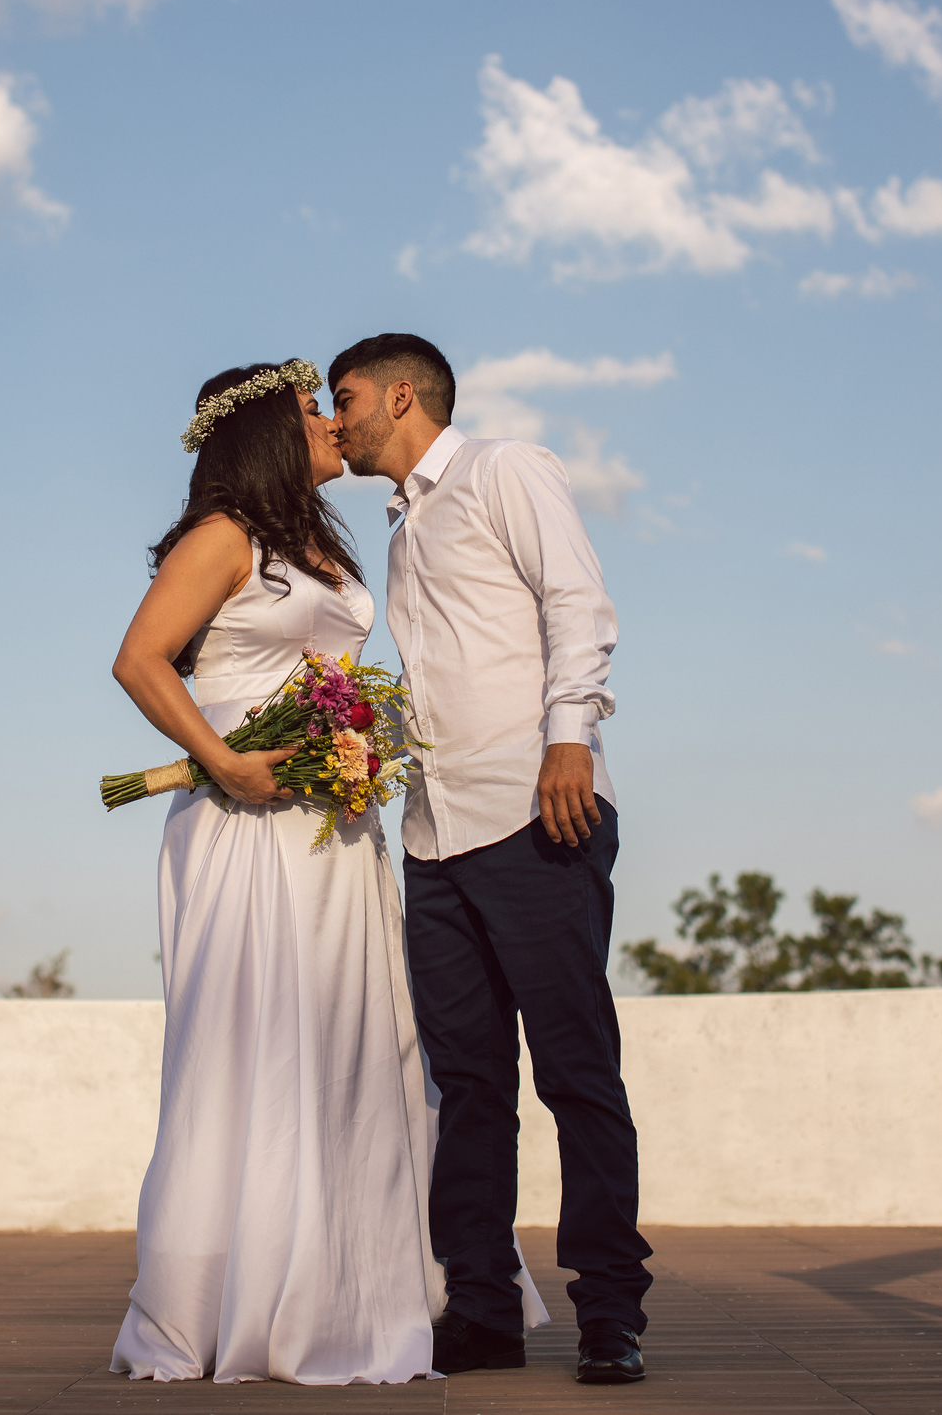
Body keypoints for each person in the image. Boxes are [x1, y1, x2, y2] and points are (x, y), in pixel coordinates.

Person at [107, 359, 446, 1385]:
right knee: (254, 1044)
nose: (330, 422)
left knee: (352, 1042)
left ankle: (361, 1282)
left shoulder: (321, 544)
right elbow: (140, 657)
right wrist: (223, 760)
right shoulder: (226, 538)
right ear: (261, 431)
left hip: (334, 829)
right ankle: (236, 1297)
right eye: (311, 409)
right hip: (244, 821)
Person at [329, 333, 654, 1387]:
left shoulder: (503, 469)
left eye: (348, 400)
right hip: (435, 835)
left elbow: (577, 603)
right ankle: (480, 1308)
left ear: (402, 394)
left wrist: (570, 736)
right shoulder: (398, 528)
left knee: (575, 1072)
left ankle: (610, 1310)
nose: (337, 421)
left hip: (536, 811)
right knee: (467, 1083)